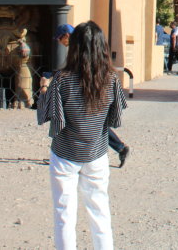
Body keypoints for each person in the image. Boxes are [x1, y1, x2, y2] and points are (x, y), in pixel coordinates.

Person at [38, 21, 127, 250]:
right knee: (100, 210)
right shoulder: (111, 79)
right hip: (97, 153)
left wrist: (44, 90)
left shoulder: (61, 79)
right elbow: (114, 120)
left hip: (65, 154)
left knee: (64, 213)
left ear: (74, 46)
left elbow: (50, 118)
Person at [55, 23, 129, 168]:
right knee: (92, 123)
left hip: (88, 89)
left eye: (59, 38)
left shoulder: (78, 48)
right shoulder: (87, 43)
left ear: (67, 36)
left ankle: (118, 147)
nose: (59, 42)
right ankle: (119, 147)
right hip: (93, 88)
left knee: (82, 123)